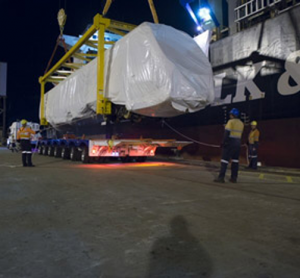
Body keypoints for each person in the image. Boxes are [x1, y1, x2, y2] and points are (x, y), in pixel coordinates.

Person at [214, 108, 244, 183]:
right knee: (235, 161)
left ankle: (221, 178)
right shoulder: (241, 123)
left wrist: (223, 143)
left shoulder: (230, 122)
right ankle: (234, 178)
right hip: (238, 143)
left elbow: (226, 133)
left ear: (232, 115)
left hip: (230, 142)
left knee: (224, 161)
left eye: (230, 114)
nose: (229, 115)